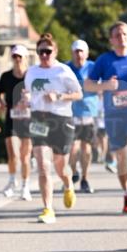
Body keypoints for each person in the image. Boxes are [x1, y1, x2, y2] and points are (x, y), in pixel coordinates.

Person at [84, 21, 127, 213]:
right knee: (122, 156)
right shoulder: (104, 60)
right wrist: (105, 86)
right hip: (114, 116)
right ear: (111, 40)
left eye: (124, 34)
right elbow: (88, 85)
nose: (121, 38)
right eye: (117, 35)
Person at [23, 33, 82, 224]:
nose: (44, 55)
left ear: (55, 52)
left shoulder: (63, 70)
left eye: (48, 51)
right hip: (39, 119)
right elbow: (29, 94)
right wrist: (26, 100)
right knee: (42, 165)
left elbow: (78, 94)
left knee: (60, 166)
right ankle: (48, 209)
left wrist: (60, 97)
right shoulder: (31, 72)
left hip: (61, 120)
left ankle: (68, 184)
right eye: (41, 52)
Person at [0, 45, 33, 200]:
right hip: (12, 119)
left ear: (25, 58)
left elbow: (40, 94)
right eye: (14, 56)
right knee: (13, 154)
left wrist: (30, 99)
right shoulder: (6, 76)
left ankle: (25, 186)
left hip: (28, 120)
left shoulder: (31, 76)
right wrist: (2, 103)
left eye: (20, 56)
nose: (17, 59)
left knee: (25, 157)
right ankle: (12, 181)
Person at [66, 39, 99, 194]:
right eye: (76, 51)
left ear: (86, 53)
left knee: (86, 149)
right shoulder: (66, 68)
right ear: (72, 53)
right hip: (71, 114)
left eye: (81, 51)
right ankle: (74, 173)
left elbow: (103, 85)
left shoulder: (93, 67)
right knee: (73, 149)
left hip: (89, 113)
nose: (79, 54)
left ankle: (85, 179)